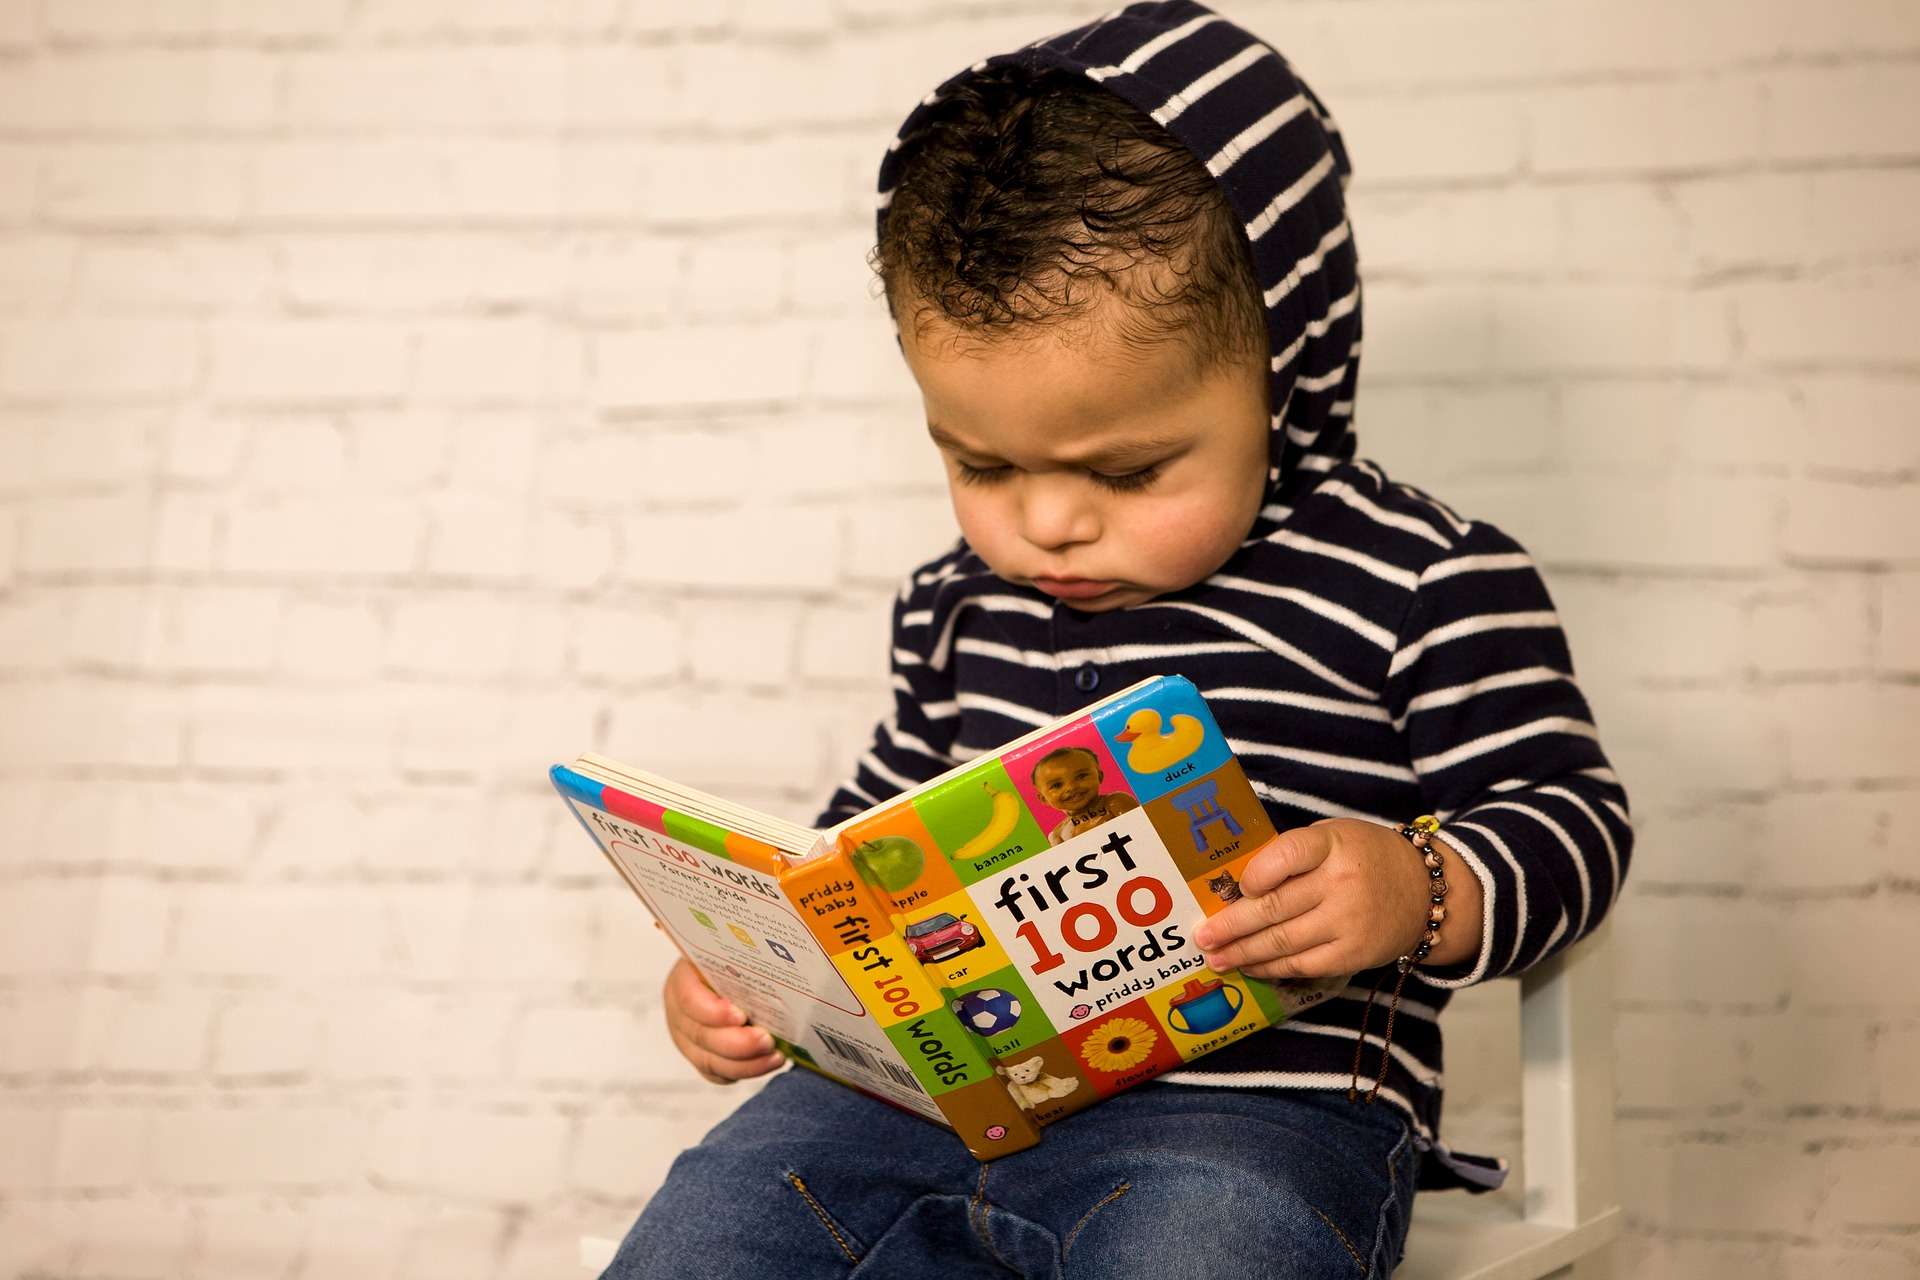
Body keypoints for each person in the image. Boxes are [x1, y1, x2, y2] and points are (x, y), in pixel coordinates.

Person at [612, 4, 1631, 1277]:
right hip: (913, 1106)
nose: (1046, 522)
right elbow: (857, 853)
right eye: (979, 460)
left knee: (1207, 1250)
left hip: (1255, 1111)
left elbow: (1575, 820)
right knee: (710, 1226)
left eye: (1133, 468)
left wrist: (1421, 885)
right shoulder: (955, 606)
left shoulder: (1420, 578)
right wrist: (765, 970)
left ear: (1285, 369)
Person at [1029, 746, 1140, 844]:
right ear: (1043, 799)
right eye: (1057, 785)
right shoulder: (1058, 835)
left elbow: (1143, 831)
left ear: (1099, 777)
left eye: (1080, 776)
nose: (1071, 787)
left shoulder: (1115, 802)